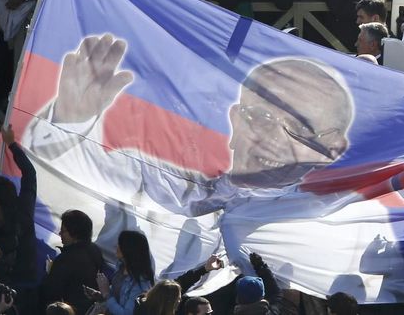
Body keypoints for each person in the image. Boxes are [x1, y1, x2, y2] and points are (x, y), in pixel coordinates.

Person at [26, 37, 354, 216]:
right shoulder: (168, 186)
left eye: (296, 127)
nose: (270, 139)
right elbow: (68, 185)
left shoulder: (338, 222)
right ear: (235, 118)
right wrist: (70, 121)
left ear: (334, 146)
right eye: (260, 117)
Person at [40, 209, 104, 314]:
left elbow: (50, 292)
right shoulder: (95, 250)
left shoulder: (66, 259)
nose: (60, 233)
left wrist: (50, 272)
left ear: (75, 234)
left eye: (63, 230)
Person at [94, 230, 155, 315]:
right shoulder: (120, 267)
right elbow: (117, 293)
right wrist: (101, 295)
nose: (116, 246)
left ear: (128, 249)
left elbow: (127, 313)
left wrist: (106, 294)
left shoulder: (140, 284)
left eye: (120, 244)